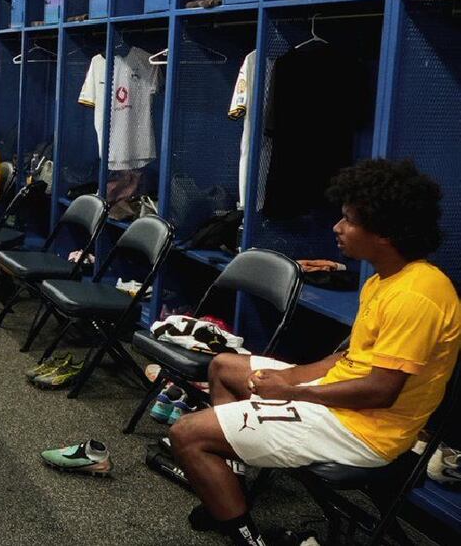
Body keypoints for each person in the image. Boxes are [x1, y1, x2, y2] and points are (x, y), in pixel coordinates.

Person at [170, 159, 459, 546]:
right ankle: (228, 488)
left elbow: (380, 391)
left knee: (186, 434)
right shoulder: (385, 279)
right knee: (223, 367)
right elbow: (349, 358)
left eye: (349, 221)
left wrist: (293, 391)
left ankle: (246, 537)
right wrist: (291, 376)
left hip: (365, 431)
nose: (337, 228)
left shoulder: (417, 296)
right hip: (341, 401)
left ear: (385, 232)